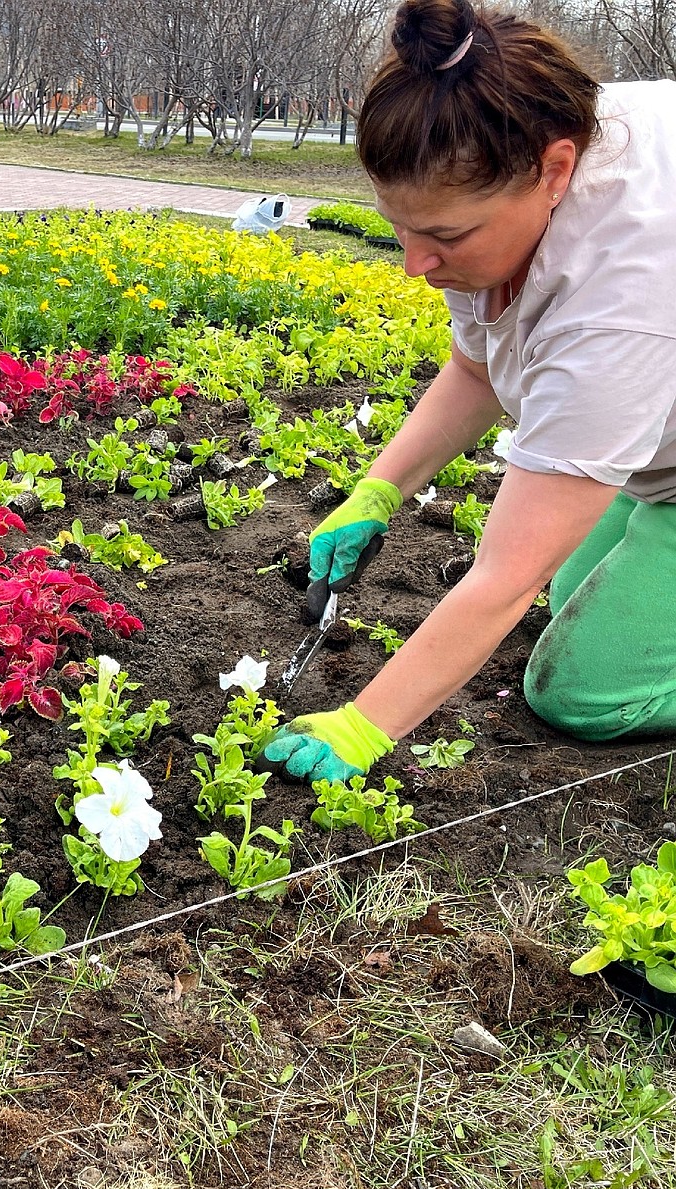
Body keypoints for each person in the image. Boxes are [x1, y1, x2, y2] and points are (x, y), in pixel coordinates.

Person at [260, 0, 676, 784]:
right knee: (571, 596)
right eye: (399, 227)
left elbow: (503, 579)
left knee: (582, 692)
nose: (414, 263)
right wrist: (377, 490)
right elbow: (478, 369)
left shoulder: (622, 300)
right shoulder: (497, 147)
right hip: (653, 419)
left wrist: (363, 725)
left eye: (445, 238)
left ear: (556, 173)